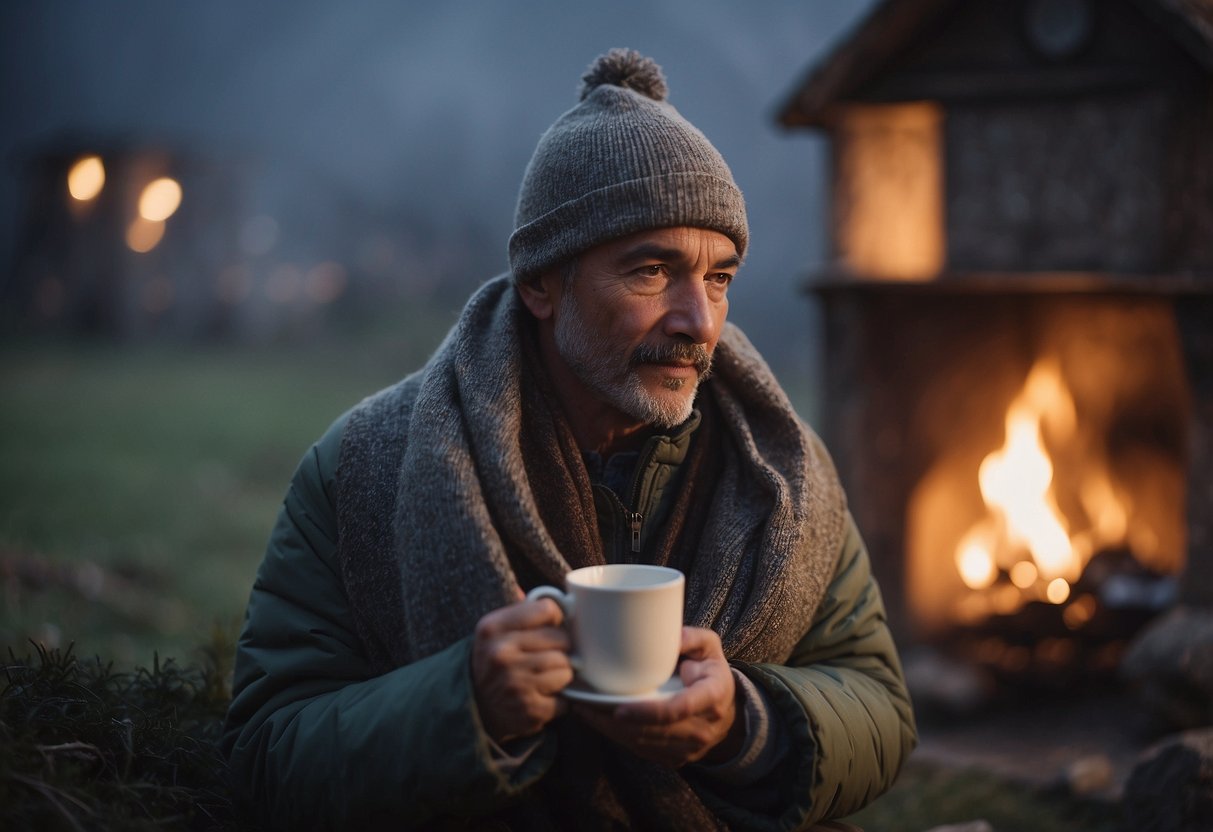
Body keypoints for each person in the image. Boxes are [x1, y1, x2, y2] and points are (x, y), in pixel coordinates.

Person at [222, 48, 916, 831]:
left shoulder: (784, 472)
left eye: (718, 277)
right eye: (651, 271)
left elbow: (880, 706)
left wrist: (744, 725)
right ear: (541, 284)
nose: (699, 322)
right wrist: (465, 706)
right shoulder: (364, 465)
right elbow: (267, 752)